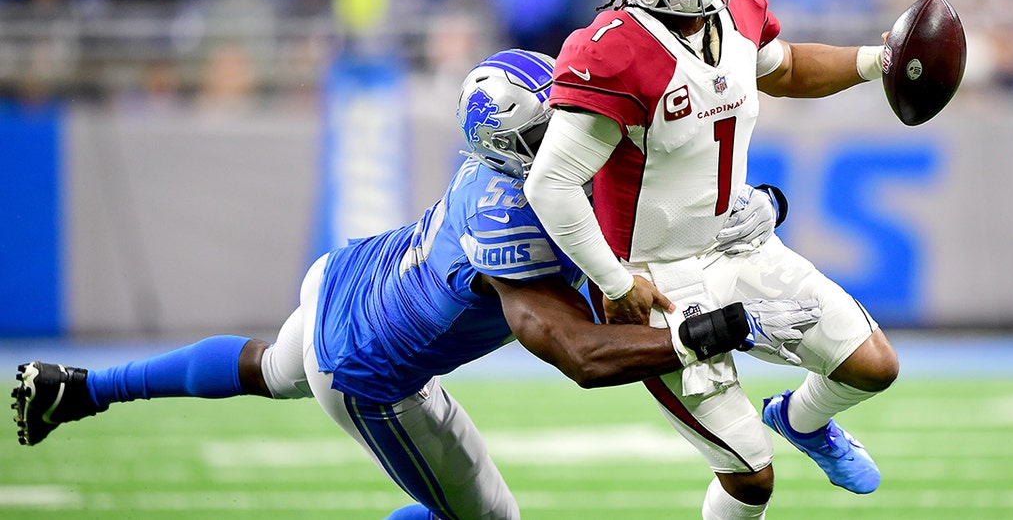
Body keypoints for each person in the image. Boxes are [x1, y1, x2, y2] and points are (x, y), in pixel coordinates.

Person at [12, 48, 810, 520]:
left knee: (263, 366)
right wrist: (715, 327)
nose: (573, 133)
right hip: (373, 371)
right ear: (511, 150)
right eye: (549, 130)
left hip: (347, 284)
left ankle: (82, 387)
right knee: (487, 518)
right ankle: (82, 387)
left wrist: (755, 203)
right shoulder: (522, 223)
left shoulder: (526, 169)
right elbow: (579, 352)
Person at [524, 0, 901, 519]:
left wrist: (877, 61)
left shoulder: (738, 2)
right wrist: (615, 283)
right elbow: (551, 184)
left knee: (873, 365)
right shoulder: (610, 51)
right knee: (751, 476)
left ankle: (803, 420)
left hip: (738, 241)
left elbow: (783, 69)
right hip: (659, 278)